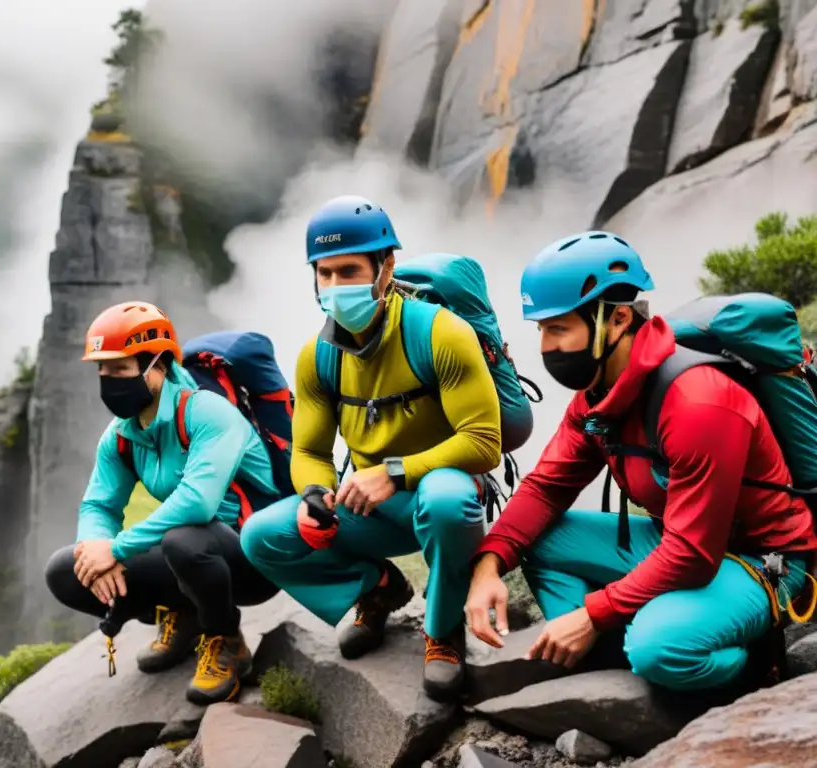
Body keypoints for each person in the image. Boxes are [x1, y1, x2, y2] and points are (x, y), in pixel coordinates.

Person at [465, 231, 817, 693]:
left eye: (559, 329)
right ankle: (594, 652)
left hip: (760, 561)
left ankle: (747, 669)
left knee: (658, 647)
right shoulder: (599, 395)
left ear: (616, 320)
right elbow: (546, 487)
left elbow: (693, 555)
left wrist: (594, 611)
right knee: (537, 536)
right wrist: (488, 564)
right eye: (542, 331)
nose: (547, 347)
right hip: (684, 541)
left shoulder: (699, 402)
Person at [240, 195, 502, 702]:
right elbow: (309, 452)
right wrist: (315, 493)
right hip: (370, 507)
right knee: (262, 535)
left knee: (446, 499)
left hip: (441, 496)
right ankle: (376, 590)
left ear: (386, 269)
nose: (336, 287)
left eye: (350, 272)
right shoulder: (318, 356)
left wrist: (395, 472)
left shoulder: (441, 334)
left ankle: (443, 629)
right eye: (326, 274)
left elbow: (484, 441)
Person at [44, 301, 281, 705]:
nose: (109, 382)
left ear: (158, 364)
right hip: (193, 555)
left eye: (120, 370)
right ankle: (186, 614)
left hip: (252, 555)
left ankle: (225, 640)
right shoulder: (122, 433)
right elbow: (98, 506)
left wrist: (117, 550)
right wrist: (95, 549)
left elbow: (196, 505)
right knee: (66, 571)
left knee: (185, 539)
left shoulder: (208, 413)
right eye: (102, 371)